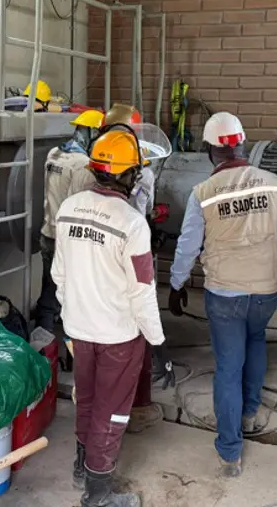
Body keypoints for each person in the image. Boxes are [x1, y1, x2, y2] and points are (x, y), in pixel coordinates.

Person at [168, 112, 277, 477]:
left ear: (210, 150)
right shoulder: (275, 185)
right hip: (265, 291)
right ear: (243, 144)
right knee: (256, 339)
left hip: (224, 295)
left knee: (229, 366)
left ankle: (230, 453)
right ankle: (248, 412)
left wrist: (176, 284)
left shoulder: (202, 194)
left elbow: (187, 246)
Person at [53, 125, 175, 507]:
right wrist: (158, 343)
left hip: (79, 329)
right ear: (130, 174)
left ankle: (81, 466)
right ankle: (98, 493)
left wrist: (73, 315)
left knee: (87, 399)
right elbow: (142, 293)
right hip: (118, 336)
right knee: (112, 412)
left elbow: (59, 275)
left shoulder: (68, 208)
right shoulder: (132, 223)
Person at [101, 104, 161, 434]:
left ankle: (110, 408)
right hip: (131, 250)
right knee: (136, 329)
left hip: (103, 257)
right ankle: (136, 406)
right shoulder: (143, 173)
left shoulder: (92, 169)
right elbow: (141, 212)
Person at [35, 109, 104, 333]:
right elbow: (79, 206)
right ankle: (66, 342)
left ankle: (42, 339)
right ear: (93, 134)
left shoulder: (54, 153)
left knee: (49, 286)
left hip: (48, 232)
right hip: (67, 240)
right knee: (72, 294)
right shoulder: (83, 164)